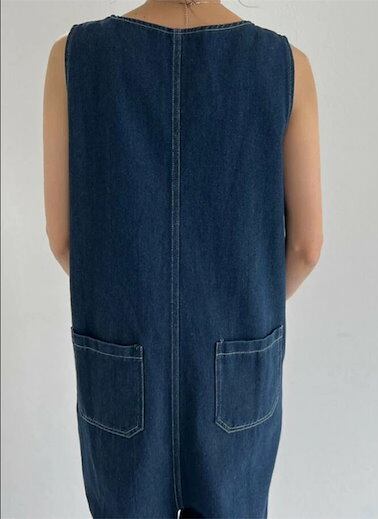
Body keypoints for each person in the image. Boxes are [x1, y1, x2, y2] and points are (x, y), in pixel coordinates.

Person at [43, 1, 323, 517]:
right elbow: (307, 248)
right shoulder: (286, 66)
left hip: (121, 363)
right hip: (237, 367)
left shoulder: (73, 57)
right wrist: (240, 303)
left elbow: (63, 240)